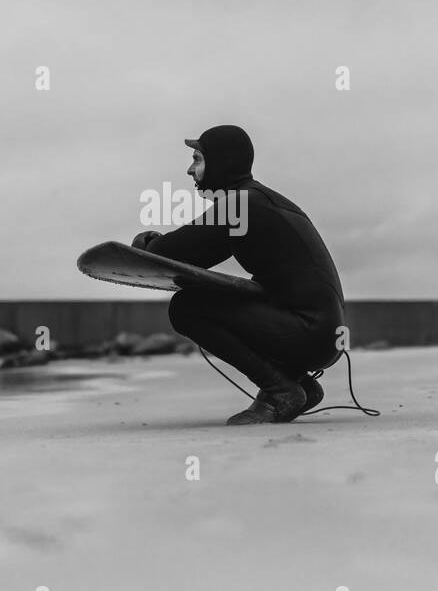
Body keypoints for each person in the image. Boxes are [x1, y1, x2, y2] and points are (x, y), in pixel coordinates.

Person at [132, 124, 346, 425]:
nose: (189, 170)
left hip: (310, 333)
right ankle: (299, 384)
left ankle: (280, 390)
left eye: (197, 159)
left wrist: (147, 242)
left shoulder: (241, 206)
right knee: (216, 296)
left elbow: (173, 253)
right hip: (322, 334)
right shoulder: (256, 200)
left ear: (221, 162)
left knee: (187, 307)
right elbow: (196, 248)